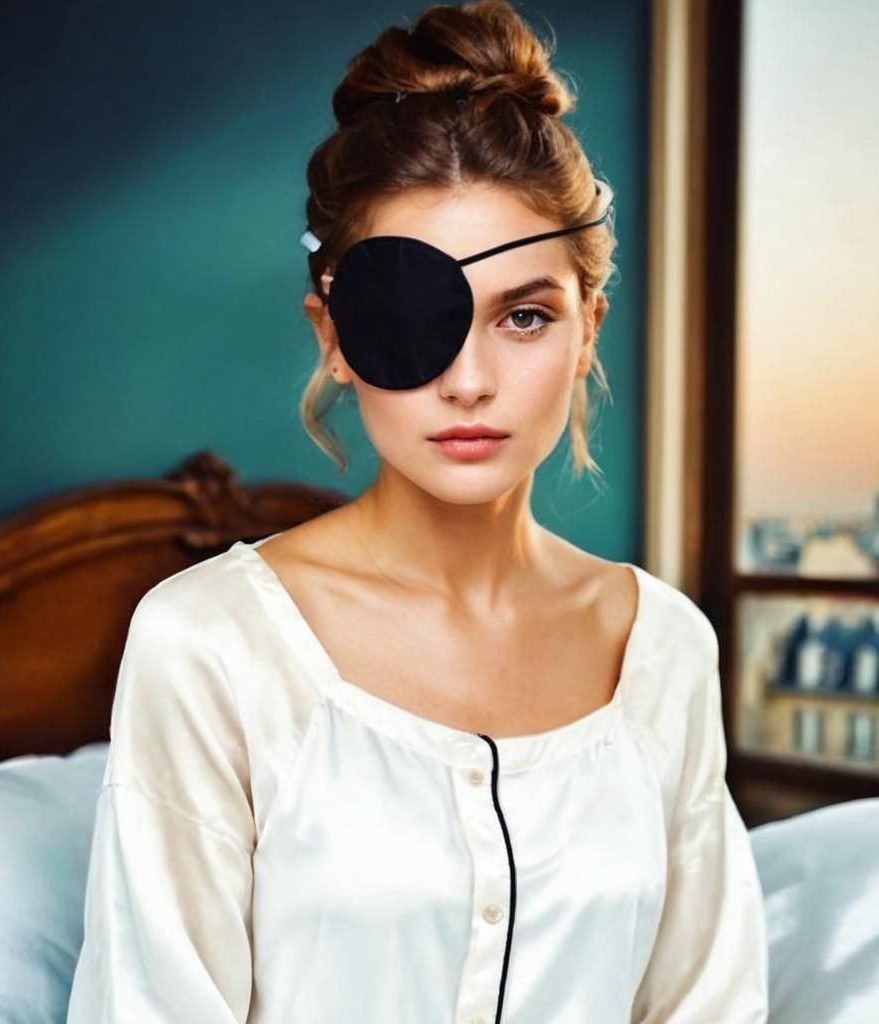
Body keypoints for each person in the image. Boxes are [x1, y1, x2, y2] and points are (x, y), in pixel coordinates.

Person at [66, 1, 769, 1021]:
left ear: (587, 331)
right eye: (410, 321)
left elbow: (708, 1000)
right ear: (336, 336)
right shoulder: (208, 643)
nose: (471, 380)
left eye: (524, 316)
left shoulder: (662, 648)